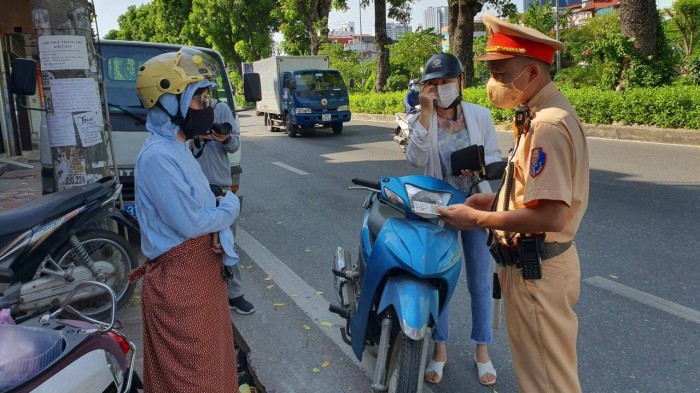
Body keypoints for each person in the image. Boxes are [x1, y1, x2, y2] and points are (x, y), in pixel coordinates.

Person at [437, 14, 589, 393]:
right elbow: (530, 192)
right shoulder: (537, 116)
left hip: (537, 270)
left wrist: (477, 218)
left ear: (533, 74)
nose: (494, 85)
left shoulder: (547, 125)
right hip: (533, 266)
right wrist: (493, 199)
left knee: (547, 385)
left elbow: (553, 213)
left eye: (502, 74)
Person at [129, 48, 240, 392]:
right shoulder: (157, 157)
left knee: (215, 365)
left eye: (207, 97)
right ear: (168, 104)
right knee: (193, 378)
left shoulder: (179, 146)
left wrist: (218, 203)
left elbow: (202, 201)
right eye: (198, 100)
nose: (206, 107)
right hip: (182, 285)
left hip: (201, 278)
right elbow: (191, 222)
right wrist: (230, 206)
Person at [406, 52, 502, 386]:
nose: (441, 88)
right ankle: (440, 349)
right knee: (439, 281)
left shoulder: (480, 115)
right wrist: (426, 114)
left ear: (460, 80)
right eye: (433, 84)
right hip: (438, 207)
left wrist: (477, 166)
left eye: (447, 81)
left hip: (475, 204)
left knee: (480, 281)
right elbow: (415, 159)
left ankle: (482, 351)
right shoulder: (421, 118)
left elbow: (494, 157)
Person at [191, 90, 256, 315]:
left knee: (227, 243)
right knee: (196, 246)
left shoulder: (221, 109)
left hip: (219, 184)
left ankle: (234, 294)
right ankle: (202, 297)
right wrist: (196, 138)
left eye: (205, 88)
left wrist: (225, 138)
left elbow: (234, 144)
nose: (202, 94)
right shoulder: (183, 110)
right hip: (191, 188)